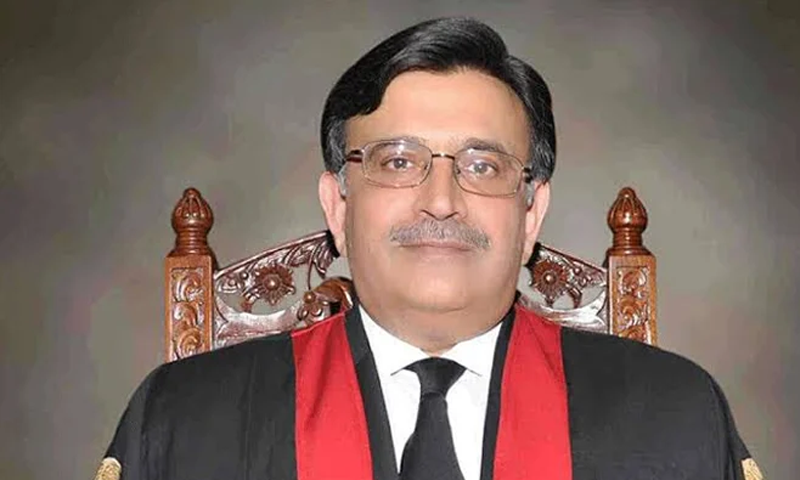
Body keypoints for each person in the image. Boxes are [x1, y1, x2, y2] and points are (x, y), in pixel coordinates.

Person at [95, 17, 762, 480]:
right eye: (397, 161)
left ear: (531, 212)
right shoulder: (185, 421)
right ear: (338, 205)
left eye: (482, 166)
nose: (440, 201)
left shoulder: (673, 416)